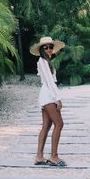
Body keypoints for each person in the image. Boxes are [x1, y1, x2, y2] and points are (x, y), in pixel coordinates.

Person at [30, 36, 67, 167]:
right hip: (48, 96)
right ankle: (54, 156)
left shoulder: (47, 61)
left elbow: (50, 81)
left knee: (46, 126)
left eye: (51, 47)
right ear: (41, 49)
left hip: (46, 95)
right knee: (59, 124)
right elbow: (49, 81)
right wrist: (57, 98)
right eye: (45, 47)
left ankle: (39, 156)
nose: (49, 49)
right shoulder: (42, 61)